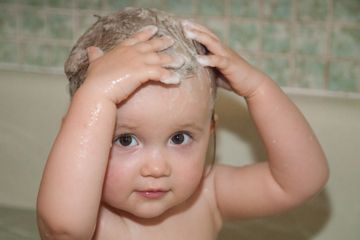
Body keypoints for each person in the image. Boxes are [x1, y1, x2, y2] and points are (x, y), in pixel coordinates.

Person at [37, 7, 329, 240]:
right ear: (81, 138)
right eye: (125, 140)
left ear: (210, 131)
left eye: (179, 138)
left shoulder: (207, 196)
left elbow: (303, 181)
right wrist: (95, 97)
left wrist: (258, 88)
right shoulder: (92, 221)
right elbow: (64, 230)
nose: (156, 168)